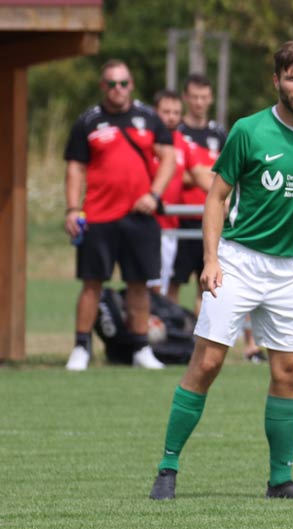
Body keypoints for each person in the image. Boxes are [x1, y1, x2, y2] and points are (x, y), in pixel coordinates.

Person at [149, 40, 293, 501]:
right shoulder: (248, 130)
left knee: (289, 371)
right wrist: (211, 259)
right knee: (208, 362)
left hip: (288, 269)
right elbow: (216, 197)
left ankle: (280, 480)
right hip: (238, 261)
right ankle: (167, 467)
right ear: (276, 80)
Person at [63, 59, 176, 371]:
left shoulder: (149, 118)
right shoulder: (88, 121)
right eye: (111, 84)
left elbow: (168, 157)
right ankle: (81, 348)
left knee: (139, 284)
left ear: (131, 85)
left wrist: (154, 195)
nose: (118, 89)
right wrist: (72, 209)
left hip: (139, 218)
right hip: (98, 216)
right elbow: (75, 168)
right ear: (103, 87)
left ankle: (141, 348)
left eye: (123, 83)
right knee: (92, 284)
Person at [173, 73, 266, 362]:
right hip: (182, 221)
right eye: (194, 97)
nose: (199, 103)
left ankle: (249, 346)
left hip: (217, 222)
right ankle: (173, 341)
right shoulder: (177, 132)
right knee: (173, 284)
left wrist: (203, 174)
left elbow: (230, 172)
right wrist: (204, 174)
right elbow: (181, 174)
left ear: (211, 98)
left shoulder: (220, 133)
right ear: (186, 98)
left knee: (222, 284)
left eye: (204, 97)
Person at [147, 90, 211, 296]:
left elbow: (200, 175)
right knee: (146, 286)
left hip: (170, 227)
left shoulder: (182, 143)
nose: (171, 117)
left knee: (162, 287)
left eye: (176, 112)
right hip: (145, 224)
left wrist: (228, 199)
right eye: (166, 112)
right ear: (155, 112)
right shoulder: (145, 139)